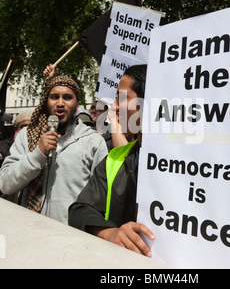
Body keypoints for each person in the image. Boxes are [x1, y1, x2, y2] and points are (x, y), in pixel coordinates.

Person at [68, 65, 155, 257]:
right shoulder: (115, 158)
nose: (114, 107)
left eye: (122, 98)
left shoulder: (189, 167)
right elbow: (80, 210)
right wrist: (110, 233)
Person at [0, 75, 108, 224]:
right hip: (27, 231)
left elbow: (102, 196)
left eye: (68, 97)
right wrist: (38, 154)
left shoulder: (93, 142)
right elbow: (5, 184)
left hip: (70, 237)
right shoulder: (27, 135)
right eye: (54, 97)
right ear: (46, 102)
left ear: (77, 105)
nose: (60, 103)